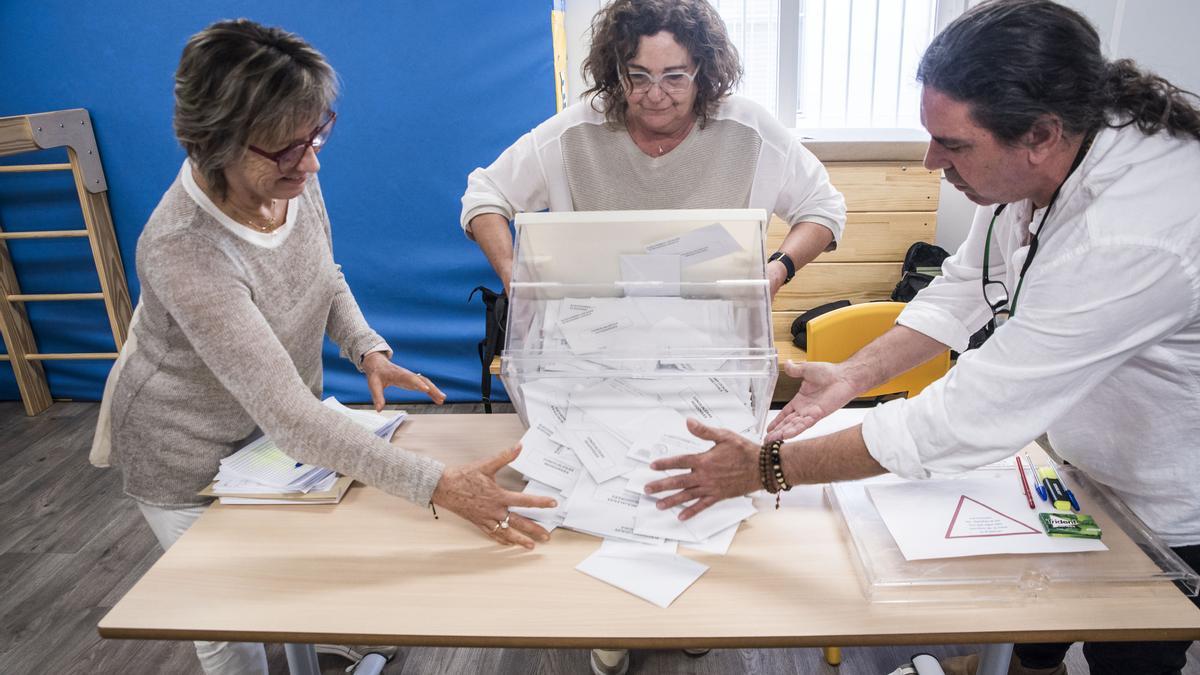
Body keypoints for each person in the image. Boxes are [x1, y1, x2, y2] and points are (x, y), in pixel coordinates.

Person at [643, 1, 1200, 673]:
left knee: (1129, 653)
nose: (933, 161)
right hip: (1081, 464)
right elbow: (961, 289)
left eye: (954, 144)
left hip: (1171, 503)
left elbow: (966, 418)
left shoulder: (1133, 232)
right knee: (1036, 627)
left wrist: (766, 467)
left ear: (1041, 134)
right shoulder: (1054, 157)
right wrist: (849, 376)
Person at [91, 20, 555, 675]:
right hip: (184, 450)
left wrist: (366, 347)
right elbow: (290, 415)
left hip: (273, 441)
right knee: (229, 622)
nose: (310, 163)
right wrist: (440, 487)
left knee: (290, 583)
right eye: (287, 149)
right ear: (215, 143)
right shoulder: (182, 247)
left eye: (316, 135)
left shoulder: (288, 172)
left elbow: (321, 272)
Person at [460, 0, 846, 301]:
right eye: (638, 77)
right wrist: (512, 272)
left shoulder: (751, 131)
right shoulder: (572, 134)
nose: (656, 95)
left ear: (703, 71)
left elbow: (824, 207)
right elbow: (485, 194)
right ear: (616, 72)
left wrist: (778, 269)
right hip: (593, 339)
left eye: (675, 77)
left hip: (718, 343)